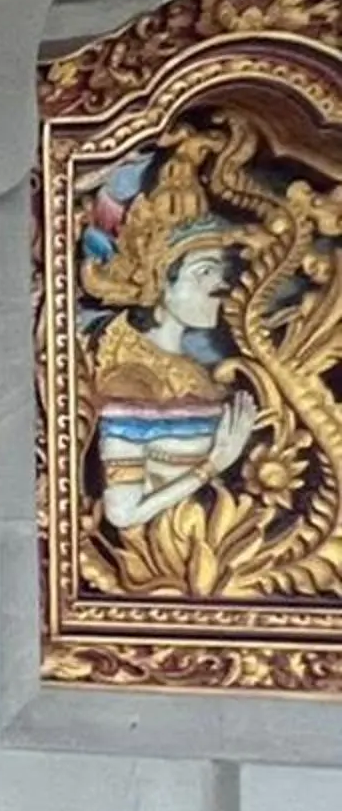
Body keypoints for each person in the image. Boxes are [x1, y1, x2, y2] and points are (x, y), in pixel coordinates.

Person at [78, 148, 254, 533]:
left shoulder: (197, 374)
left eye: (219, 272)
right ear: (159, 282)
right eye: (203, 272)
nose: (220, 286)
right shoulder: (130, 380)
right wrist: (214, 465)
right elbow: (122, 513)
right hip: (160, 561)